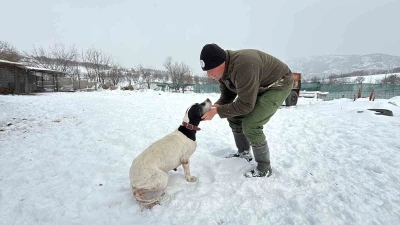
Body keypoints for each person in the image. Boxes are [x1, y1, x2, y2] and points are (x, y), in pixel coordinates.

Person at [200, 43, 294, 178]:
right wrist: (215, 107)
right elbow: (227, 96)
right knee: (234, 116)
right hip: (260, 84)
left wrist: (217, 112)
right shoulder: (223, 73)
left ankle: (264, 168)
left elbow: (246, 105)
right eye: (206, 71)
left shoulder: (243, 66)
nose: (209, 75)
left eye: (210, 70)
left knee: (251, 124)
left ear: (221, 62)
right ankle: (244, 153)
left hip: (278, 84)